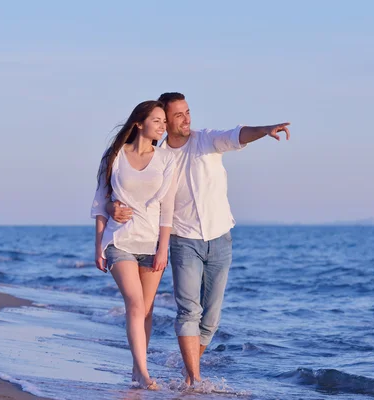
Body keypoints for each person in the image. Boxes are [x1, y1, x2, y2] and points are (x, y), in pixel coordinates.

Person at [107, 92, 290, 386]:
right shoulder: (161, 157)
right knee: (188, 310)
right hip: (183, 239)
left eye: (188, 112)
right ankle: (193, 379)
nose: (186, 119)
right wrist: (112, 208)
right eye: (178, 115)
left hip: (219, 236)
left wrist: (265, 130)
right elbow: (135, 195)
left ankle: (188, 366)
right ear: (165, 121)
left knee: (211, 319)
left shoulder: (207, 140)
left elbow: (237, 135)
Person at [91, 100, 177, 390]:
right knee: (135, 304)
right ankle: (143, 372)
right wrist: (98, 245)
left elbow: (168, 209)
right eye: (157, 120)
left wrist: (163, 248)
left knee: (147, 310)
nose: (163, 126)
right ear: (139, 123)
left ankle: (135, 369)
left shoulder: (166, 160)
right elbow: (101, 203)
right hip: (119, 240)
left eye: (165, 121)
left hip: (151, 243)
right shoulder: (114, 156)